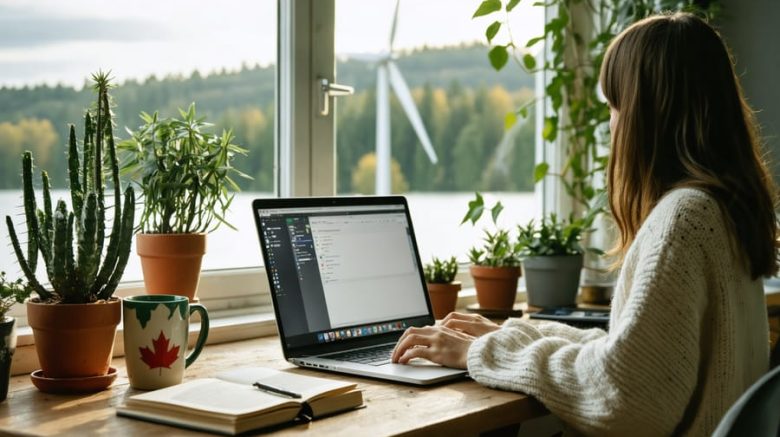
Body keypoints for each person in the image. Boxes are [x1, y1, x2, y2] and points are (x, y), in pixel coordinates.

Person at [391, 12, 777, 436]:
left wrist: (483, 352)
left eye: (614, 106)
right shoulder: (720, 210)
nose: (611, 125)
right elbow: (630, 355)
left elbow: (626, 396)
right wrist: (512, 332)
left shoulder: (681, 221)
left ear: (647, 114)